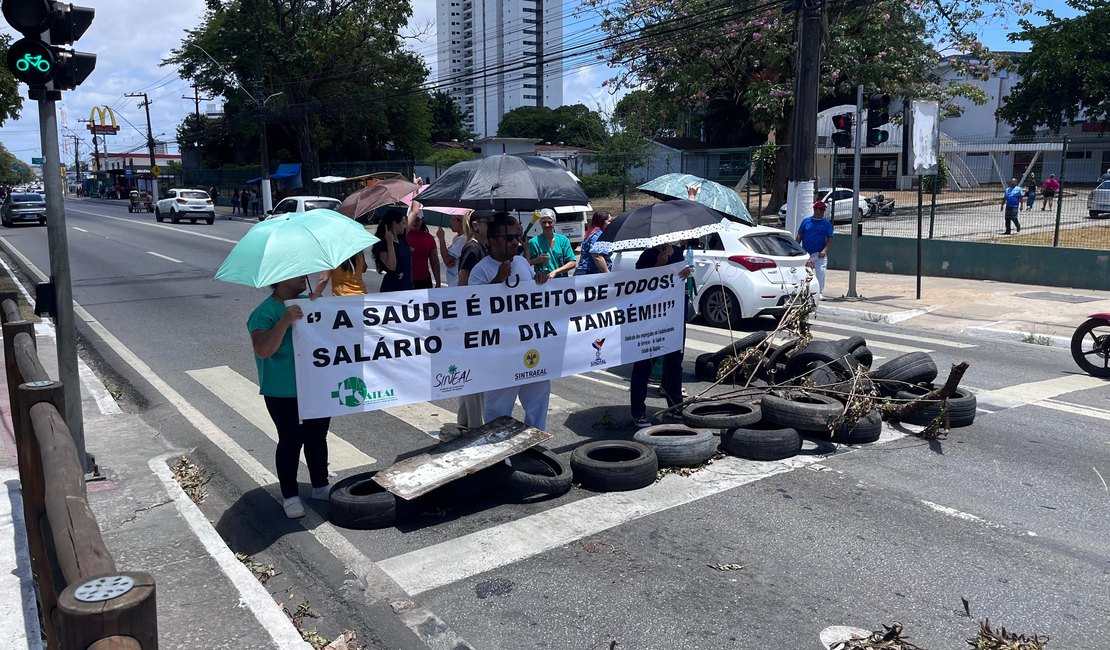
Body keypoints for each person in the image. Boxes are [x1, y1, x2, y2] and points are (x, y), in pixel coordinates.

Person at [248, 275, 330, 519]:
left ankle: (320, 485)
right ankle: (290, 495)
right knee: (291, 440)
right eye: (297, 273)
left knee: (317, 437)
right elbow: (263, 350)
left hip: (314, 387)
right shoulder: (265, 312)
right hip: (282, 391)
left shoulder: (307, 303)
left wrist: (321, 305)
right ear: (282, 279)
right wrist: (284, 321)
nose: (304, 277)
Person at [470, 213, 551, 430]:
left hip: (529, 344)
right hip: (499, 350)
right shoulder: (481, 271)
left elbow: (532, 295)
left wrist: (539, 281)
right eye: (509, 238)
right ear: (493, 240)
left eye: (517, 237)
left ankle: (535, 444)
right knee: (498, 406)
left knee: (538, 398)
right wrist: (497, 280)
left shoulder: (523, 262)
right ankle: (496, 451)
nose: (516, 242)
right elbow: (473, 309)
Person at [629, 242, 692, 428]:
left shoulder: (679, 252)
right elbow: (640, 283)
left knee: (674, 362)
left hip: (674, 314)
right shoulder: (647, 255)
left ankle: (675, 407)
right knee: (644, 363)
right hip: (652, 317)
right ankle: (638, 412)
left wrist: (686, 273)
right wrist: (658, 263)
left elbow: (679, 279)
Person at [795, 201, 834, 299]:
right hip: (807, 253)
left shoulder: (826, 224)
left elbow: (830, 238)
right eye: (820, 209)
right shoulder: (806, 221)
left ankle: (819, 292)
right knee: (806, 273)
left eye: (823, 210)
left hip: (819, 253)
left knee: (821, 272)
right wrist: (797, 249)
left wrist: (824, 250)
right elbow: (800, 235)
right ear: (815, 209)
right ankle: (806, 291)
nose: (821, 212)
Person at [526, 208, 577, 278]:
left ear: (554, 222)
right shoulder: (534, 242)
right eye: (544, 222)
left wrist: (555, 272)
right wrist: (537, 260)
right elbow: (525, 263)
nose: (547, 225)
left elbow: (572, 263)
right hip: (542, 282)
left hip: (562, 282)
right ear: (540, 223)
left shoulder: (563, 240)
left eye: (550, 222)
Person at [371, 209, 413, 292]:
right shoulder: (382, 244)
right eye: (403, 223)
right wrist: (390, 243)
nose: (404, 226)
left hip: (408, 286)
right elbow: (392, 266)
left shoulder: (402, 238)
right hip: (393, 288)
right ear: (394, 224)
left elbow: (413, 213)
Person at [406, 208, 441, 289]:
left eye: (417, 219)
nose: (415, 222)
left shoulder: (429, 238)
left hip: (424, 281)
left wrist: (438, 282)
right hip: (405, 280)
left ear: (422, 220)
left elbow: (434, 261)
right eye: (413, 219)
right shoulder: (401, 237)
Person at [435, 211, 472, 287]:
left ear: (461, 222)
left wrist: (441, 239)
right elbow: (450, 259)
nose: (451, 222)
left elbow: (446, 259)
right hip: (453, 279)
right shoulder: (457, 238)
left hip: (456, 281)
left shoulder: (462, 239)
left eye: (453, 220)